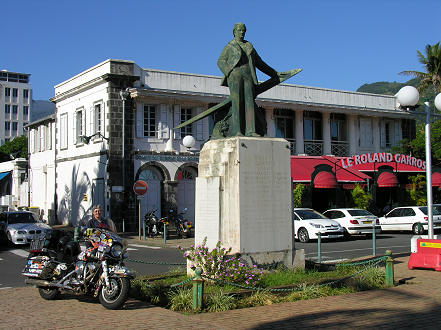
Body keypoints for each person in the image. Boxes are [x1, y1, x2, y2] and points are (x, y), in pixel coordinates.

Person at [217, 22, 279, 137]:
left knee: (249, 102)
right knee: (237, 103)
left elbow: (260, 63)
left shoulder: (249, 46)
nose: (242, 33)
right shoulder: (230, 46)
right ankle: (237, 131)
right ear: (234, 32)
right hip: (235, 75)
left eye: (243, 31)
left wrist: (273, 73)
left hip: (248, 75)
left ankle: (251, 131)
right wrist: (229, 72)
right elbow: (220, 61)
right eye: (239, 30)